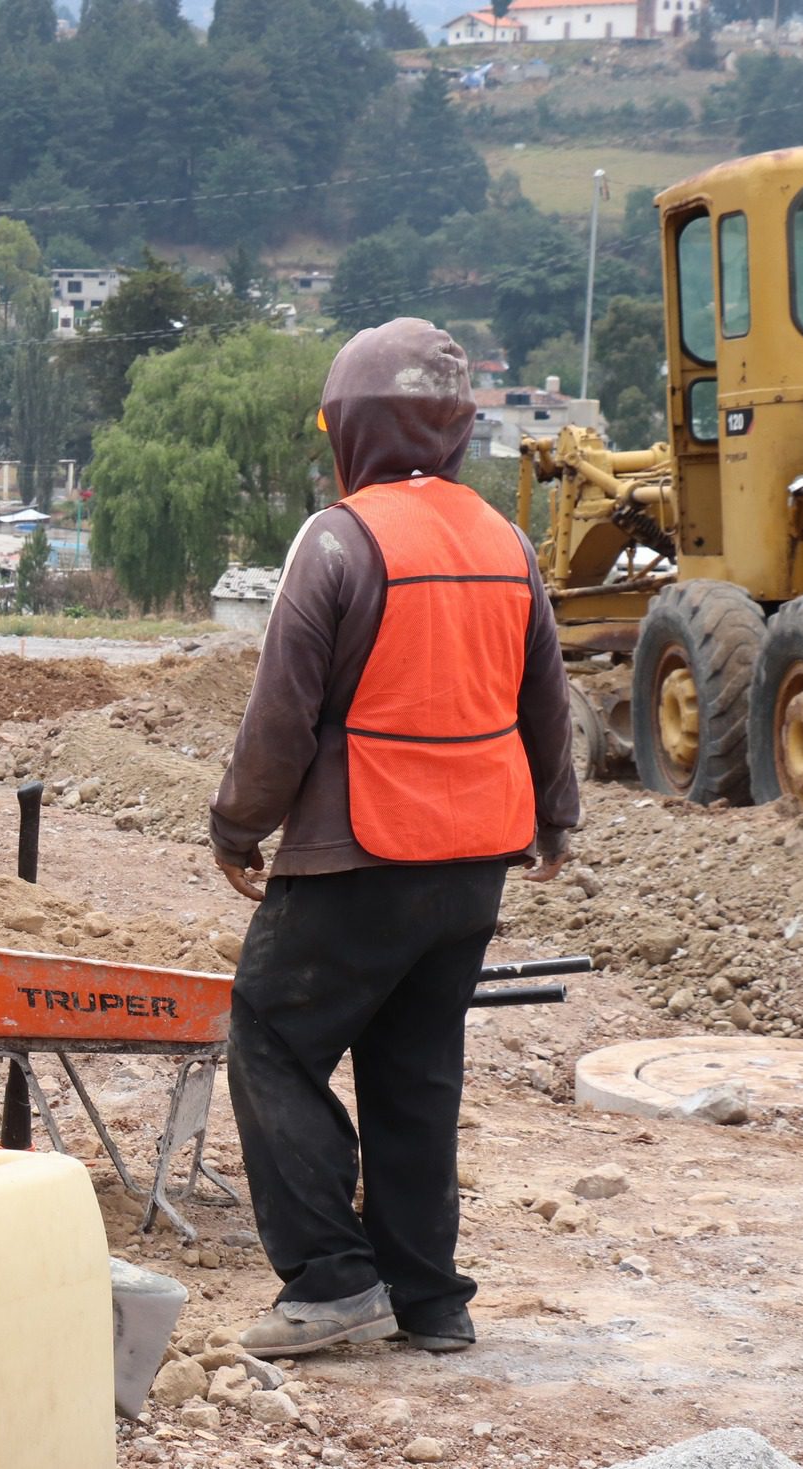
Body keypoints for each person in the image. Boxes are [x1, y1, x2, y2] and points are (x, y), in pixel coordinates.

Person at [208, 318, 579, 1357]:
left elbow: (279, 713)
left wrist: (236, 825)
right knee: (415, 1069)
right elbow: (544, 700)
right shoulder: (502, 542)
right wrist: (554, 817)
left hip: (357, 854)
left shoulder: (340, 537)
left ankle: (329, 1279)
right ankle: (429, 1301)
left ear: (351, 429)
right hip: (471, 863)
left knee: (272, 1039)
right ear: (456, 428)